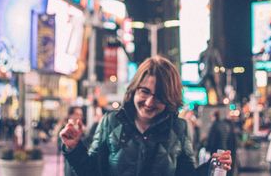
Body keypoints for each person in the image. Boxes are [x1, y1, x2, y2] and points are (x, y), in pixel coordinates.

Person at [60, 56, 232, 176]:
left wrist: (212, 166)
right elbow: (91, 172)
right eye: (145, 92)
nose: (149, 102)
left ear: (169, 99)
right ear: (134, 89)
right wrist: (74, 148)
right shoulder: (111, 122)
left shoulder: (178, 128)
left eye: (159, 96)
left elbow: (186, 174)